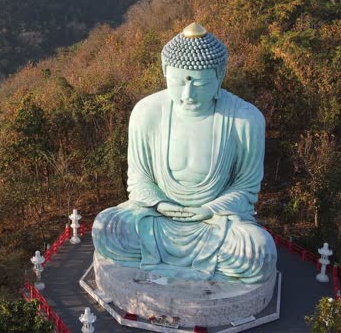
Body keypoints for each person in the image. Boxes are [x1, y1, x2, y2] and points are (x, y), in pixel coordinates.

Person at [92, 22, 276, 283]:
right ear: (165, 71)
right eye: (178, 83)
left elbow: (246, 188)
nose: (187, 94)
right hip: (157, 219)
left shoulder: (245, 119)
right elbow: (138, 178)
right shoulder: (147, 112)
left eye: (199, 83)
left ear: (220, 75)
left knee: (258, 252)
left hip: (213, 223)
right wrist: (159, 203)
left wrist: (209, 209)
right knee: (106, 228)